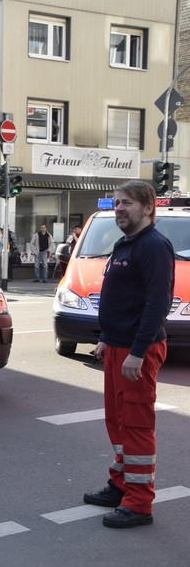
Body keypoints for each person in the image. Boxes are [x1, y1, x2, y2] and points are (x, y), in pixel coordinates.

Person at [83, 180, 174, 529]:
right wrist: (107, 337)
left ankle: (139, 503)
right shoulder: (125, 244)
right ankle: (121, 486)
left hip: (138, 351)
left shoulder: (153, 246)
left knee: (135, 427)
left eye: (128, 203)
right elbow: (121, 298)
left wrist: (137, 351)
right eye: (117, 203)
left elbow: (157, 304)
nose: (120, 209)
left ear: (148, 208)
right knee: (117, 424)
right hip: (118, 347)